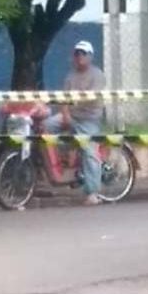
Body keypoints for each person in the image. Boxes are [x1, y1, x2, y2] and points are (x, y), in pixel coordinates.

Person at [44, 40, 106, 206]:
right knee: (45, 127)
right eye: (77, 53)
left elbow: (91, 97)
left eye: (83, 53)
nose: (79, 57)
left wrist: (73, 106)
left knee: (89, 151)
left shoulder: (97, 75)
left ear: (90, 56)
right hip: (72, 115)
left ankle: (92, 192)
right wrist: (65, 114)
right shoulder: (70, 76)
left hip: (89, 119)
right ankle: (61, 159)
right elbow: (64, 100)